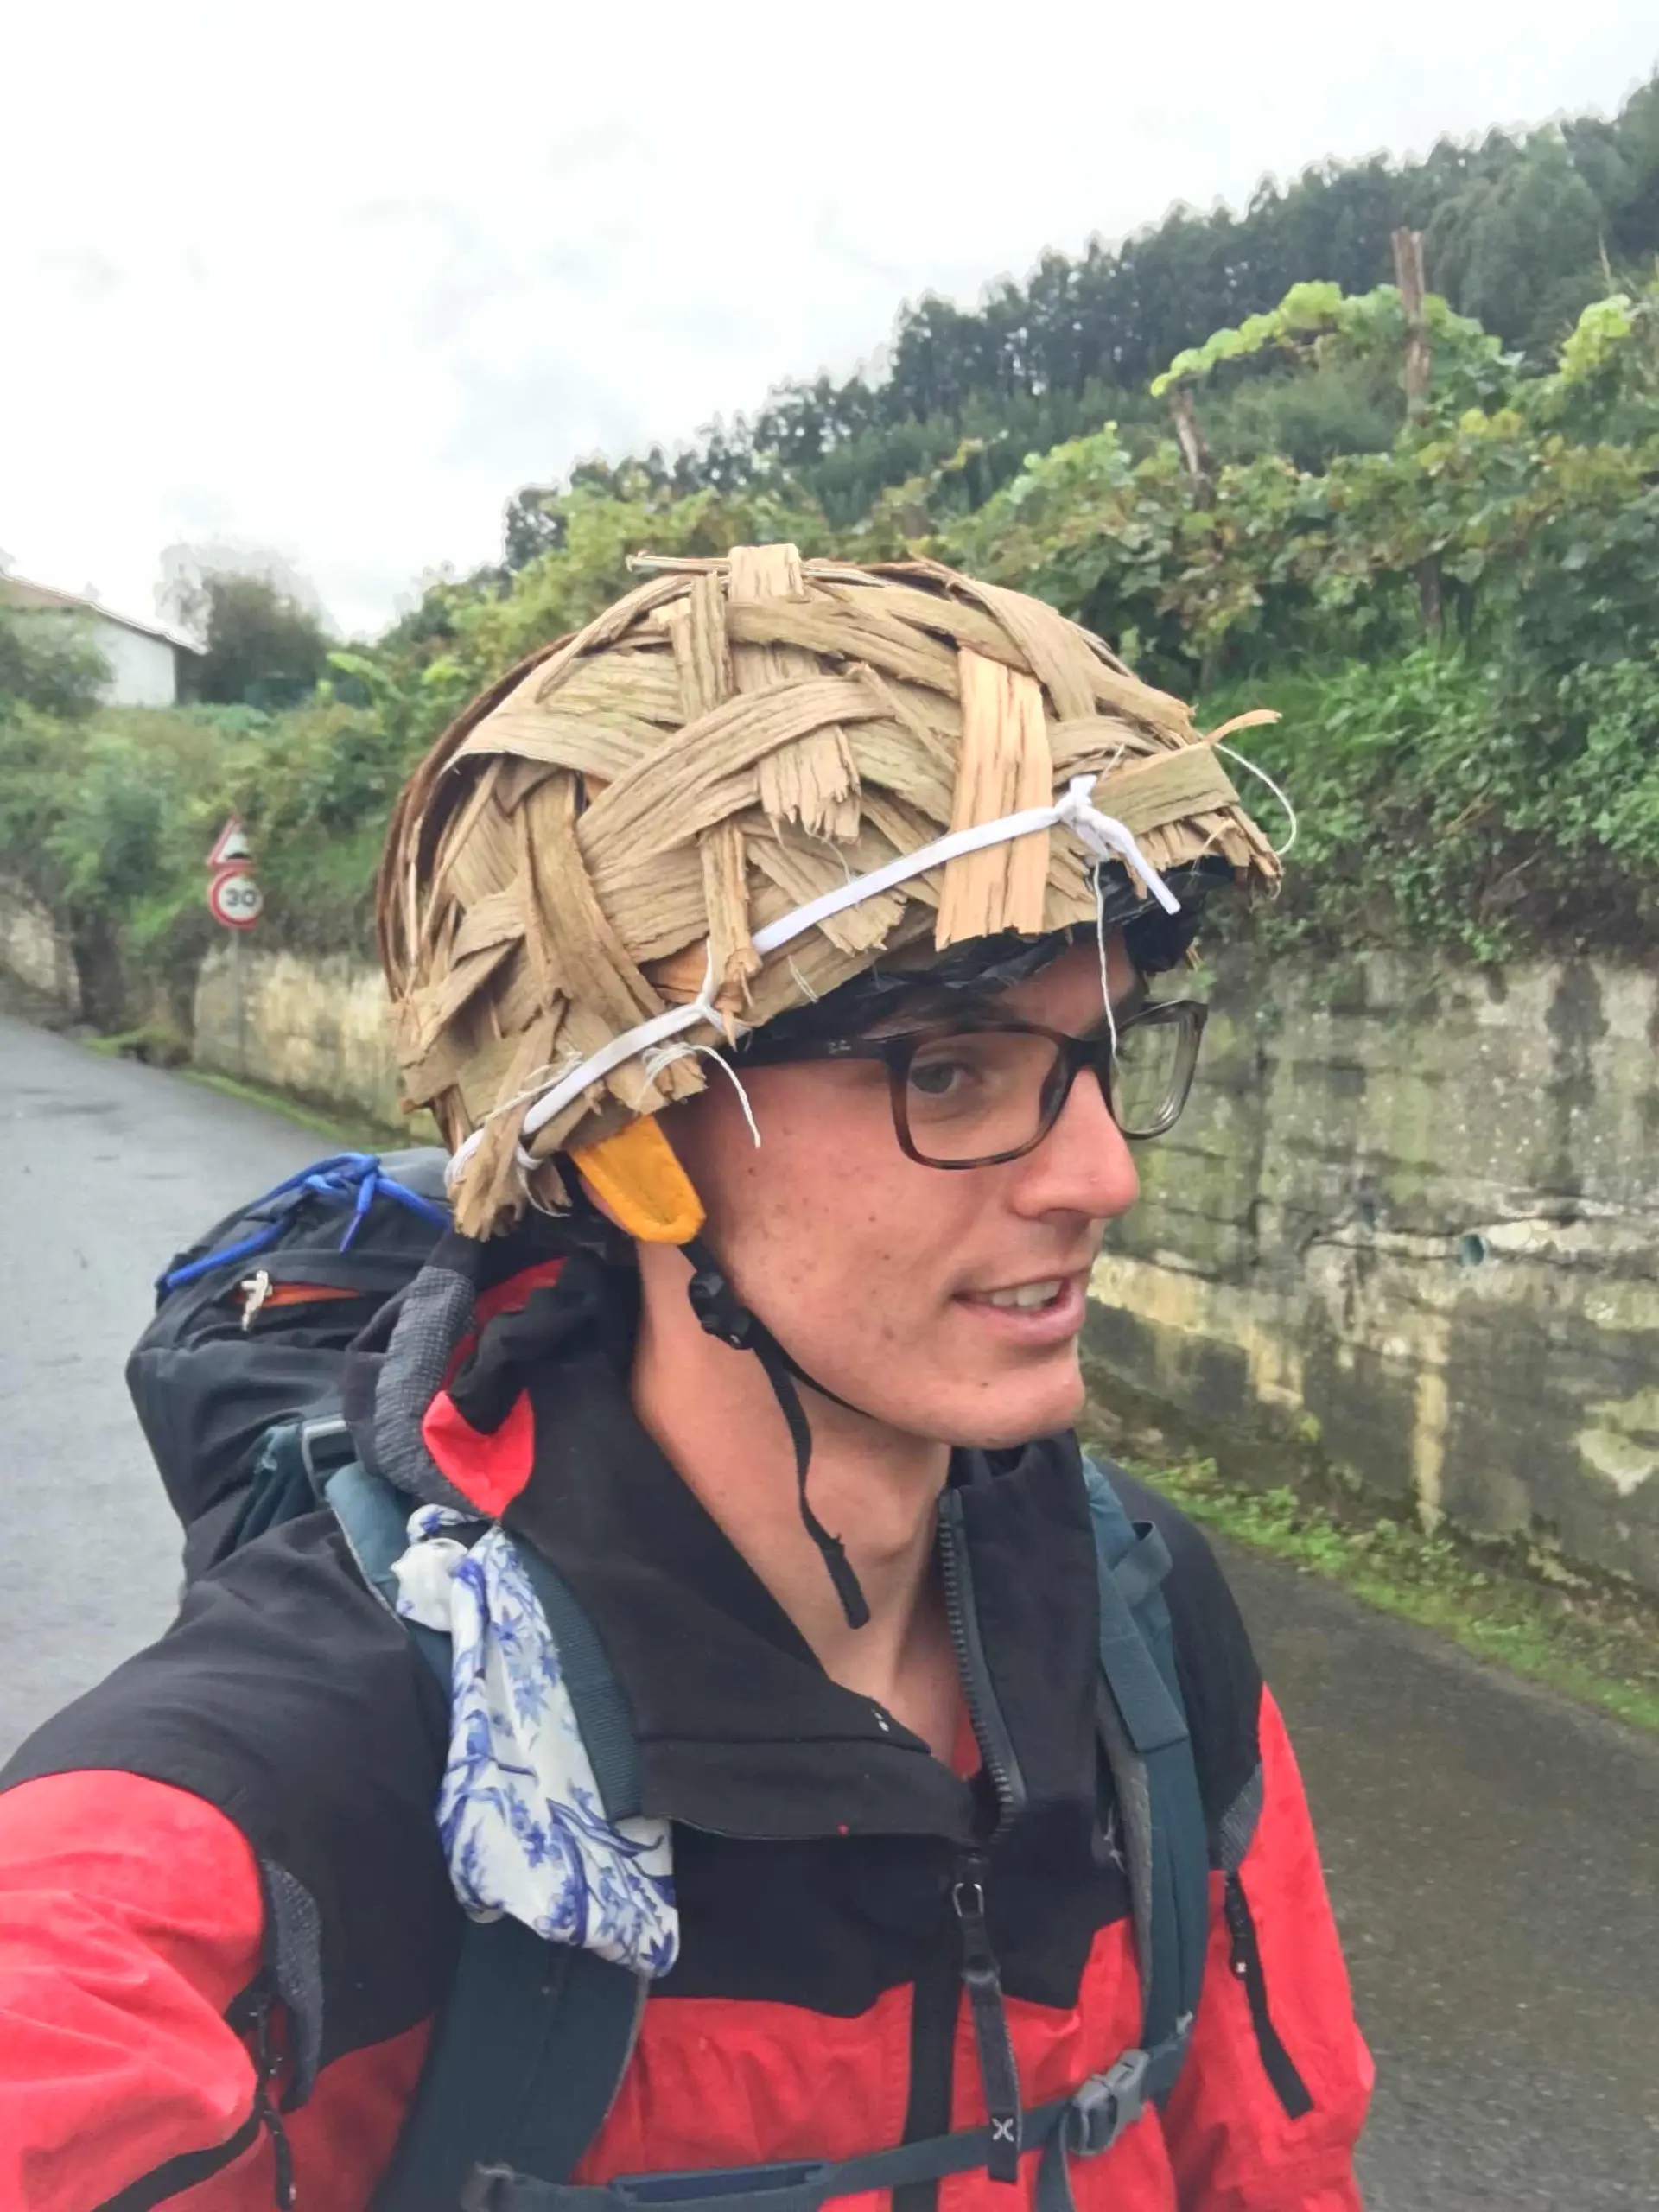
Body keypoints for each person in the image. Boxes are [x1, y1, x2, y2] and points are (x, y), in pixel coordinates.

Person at [0, 547, 1371, 2209]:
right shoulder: (344, 1742)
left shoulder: (1137, 1614)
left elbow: (1276, 2157)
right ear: (634, 1147)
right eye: (951, 1071)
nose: (1102, 1176)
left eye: (1100, 1058)